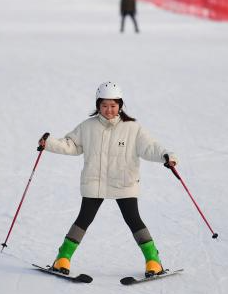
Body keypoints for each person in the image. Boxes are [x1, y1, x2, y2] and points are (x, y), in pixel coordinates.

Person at [39, 82, 177, 277]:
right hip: (95, 182)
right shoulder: (88, 126)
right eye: (104, 105)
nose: (109, 110)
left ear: (120, 105)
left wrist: (166, 156)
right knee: (83, 219)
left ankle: (153, 260)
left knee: (133, 219)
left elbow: (149, 147)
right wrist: (49, 143)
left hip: (124, 182)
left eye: (113, 105)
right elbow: (71, 145)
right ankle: (63, 258)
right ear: (98, 106)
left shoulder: (132, 128)